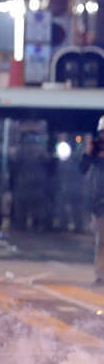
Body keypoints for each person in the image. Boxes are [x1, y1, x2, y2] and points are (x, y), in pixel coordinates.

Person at [80, 116, 104, 284]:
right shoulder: (94, 151)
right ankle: (101, 273)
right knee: (102, 240)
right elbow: (82, 168)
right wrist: (89, 154)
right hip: (100, 202)